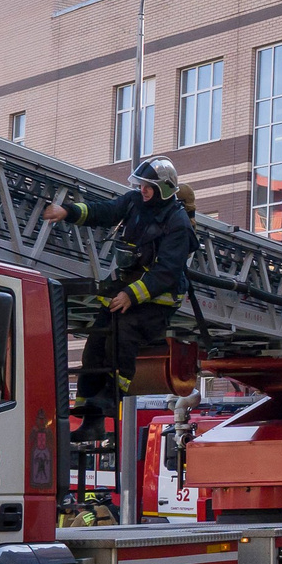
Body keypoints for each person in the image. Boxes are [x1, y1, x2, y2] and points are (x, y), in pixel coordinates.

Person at [41, 156, 194, 436]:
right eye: (141, 185)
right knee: (95, 346)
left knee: (123, 333)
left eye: (149, 186)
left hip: (156, 301)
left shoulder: (178, 223)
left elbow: (167, 272)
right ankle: (91, 421)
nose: (143, 190)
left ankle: (111, 398)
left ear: (164, 189)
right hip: (127, 287)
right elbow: (104, 211)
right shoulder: (134, 201)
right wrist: (68, 212)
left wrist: (130, 296)